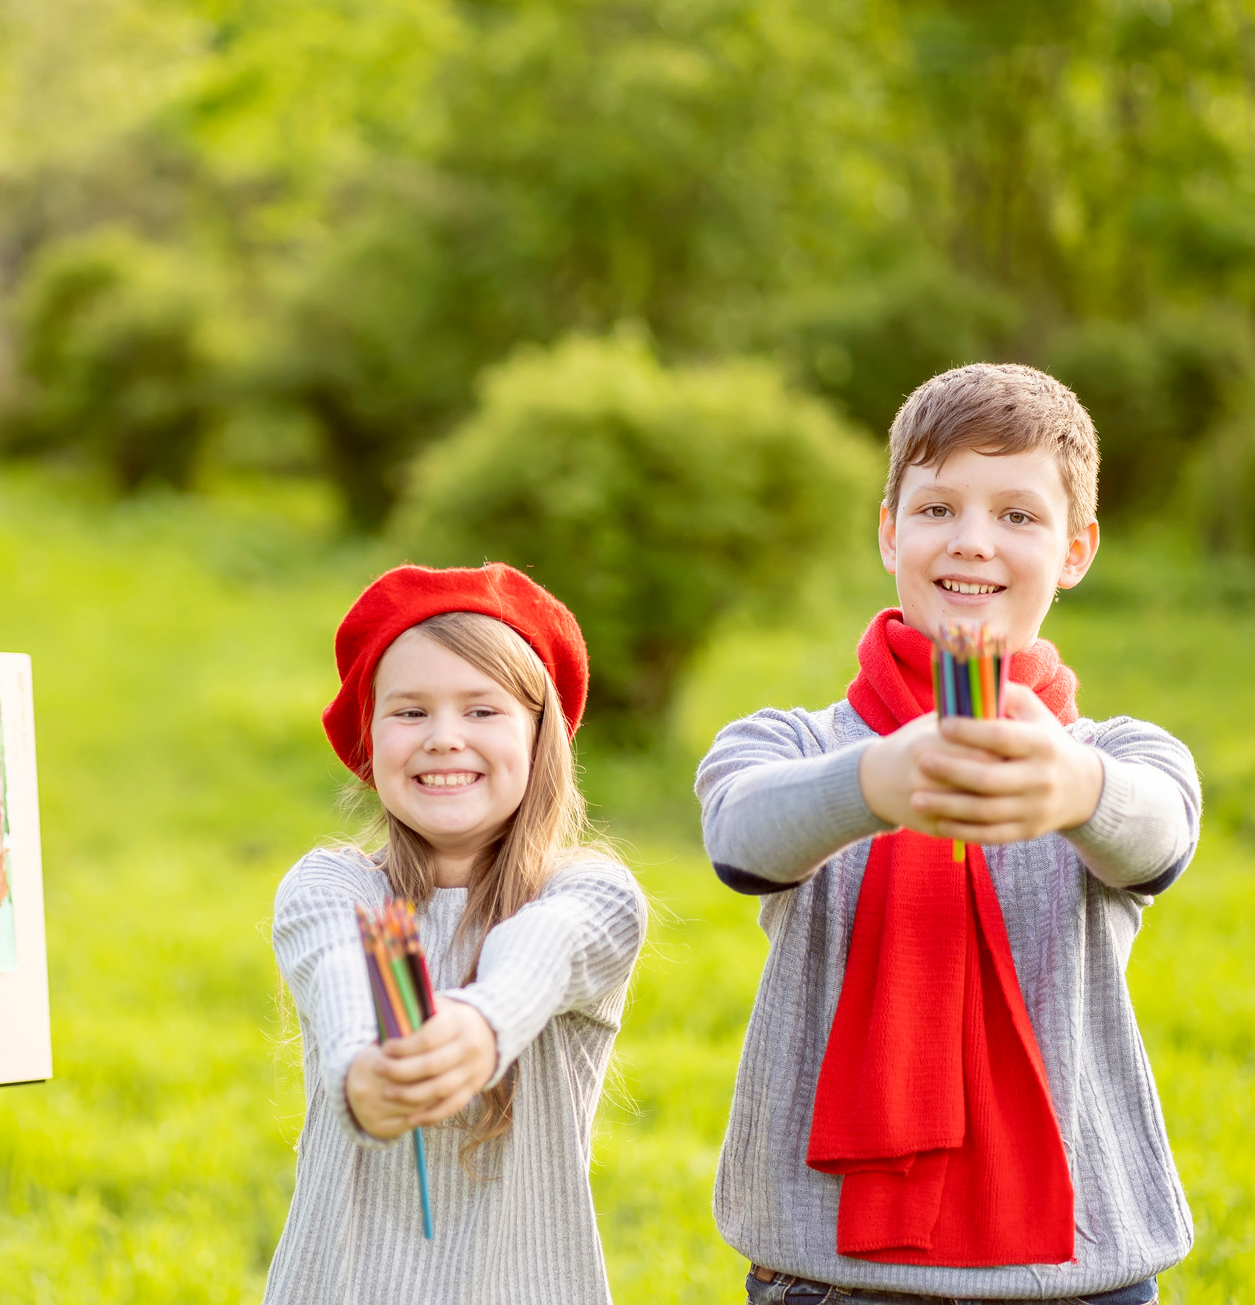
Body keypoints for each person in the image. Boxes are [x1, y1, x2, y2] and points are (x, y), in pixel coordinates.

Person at [697, 364, 1200, 1303]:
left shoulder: (1117, 754)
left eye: (1018, 515)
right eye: (937, 508)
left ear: (1078, 548)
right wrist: (873, 782)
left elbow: (1159, 835)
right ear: (889, 528)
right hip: (828, 1273)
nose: (973, 542)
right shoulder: (794, 742)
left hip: (1079, 1268)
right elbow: (742, 835)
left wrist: (1074, 783)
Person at [264, 563, 647, 1305]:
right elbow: (343, 970)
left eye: (482, 711)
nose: (444, 738)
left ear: (542, 739)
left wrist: (480, 1023)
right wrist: (363, 1074)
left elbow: (542, 948)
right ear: (369, 739)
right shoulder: (335, 887)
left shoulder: (593, 893)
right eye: (410, 711)